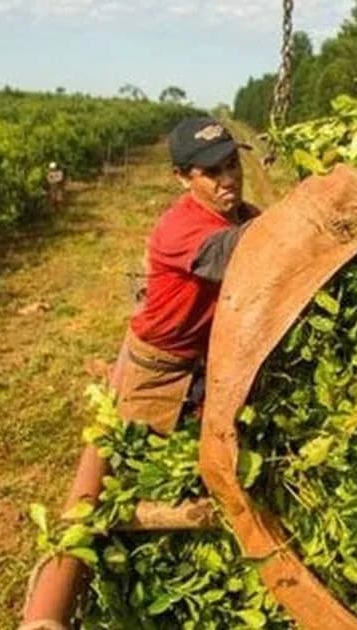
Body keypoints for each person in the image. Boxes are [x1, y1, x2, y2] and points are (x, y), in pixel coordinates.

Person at [110, 116, 261, 435]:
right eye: (212, 172)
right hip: (163, 371)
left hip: (207, 362)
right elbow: (241, 253)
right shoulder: (181, 228)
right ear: (181, 178)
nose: (229, 178)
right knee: (151, 464)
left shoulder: (247, 216)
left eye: (233, 164)